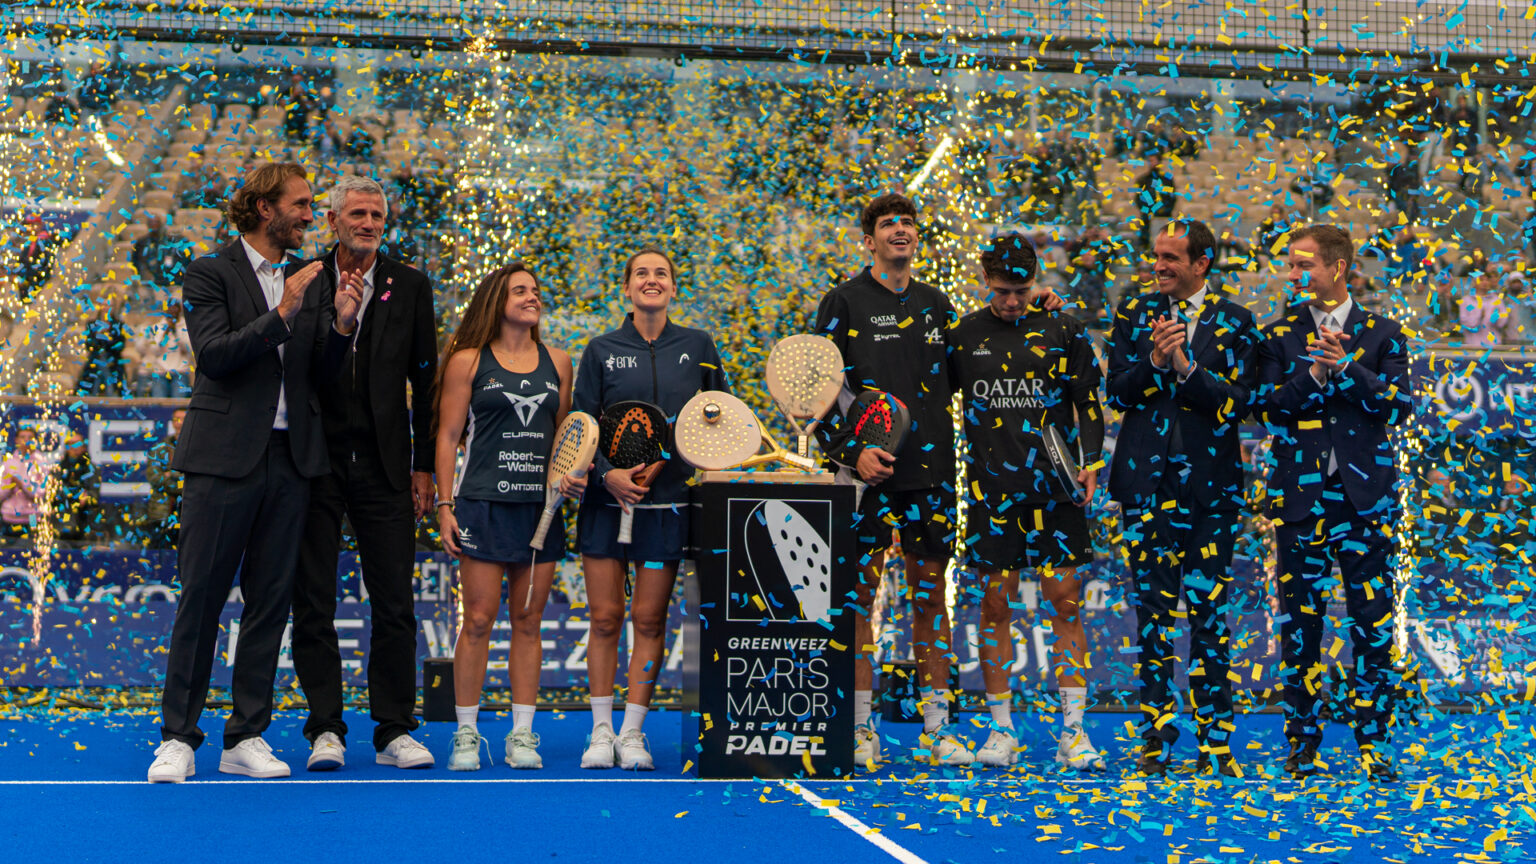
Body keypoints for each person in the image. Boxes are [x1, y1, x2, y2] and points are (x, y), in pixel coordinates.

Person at [813, 194, 1062, 768]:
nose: (899, 230)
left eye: (907, 222)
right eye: (887, 224)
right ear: (869, 241)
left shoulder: (937, 305)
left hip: (931, 476)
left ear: (917, 238)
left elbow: (983, 358)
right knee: (860, 601)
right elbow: (816, 392)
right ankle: (860, 728)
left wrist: (1039, 311)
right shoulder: (843, 301)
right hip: (863, 479)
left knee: (930, 599)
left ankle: (936, 730)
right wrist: (853, 452)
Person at [147, 162, 360, 783]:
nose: (310, 216)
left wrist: (341, 326)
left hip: (292, 459)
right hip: (222, 459)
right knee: (202, 598)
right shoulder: (209, 272)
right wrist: (283, 313)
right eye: (301, 204)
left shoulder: (311, 278)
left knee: (269, 603)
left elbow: (319, 373)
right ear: (265, 208)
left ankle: (245, 736)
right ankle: (178, 737)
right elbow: (215, 356)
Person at [290, 175, 440, 772]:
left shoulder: (411, 284)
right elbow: (299, 372)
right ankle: (325, 728)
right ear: (332, 221)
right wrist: (340, 324)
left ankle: (394, 729)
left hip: (387, 465)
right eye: (358, 213)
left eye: (377, 215)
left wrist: (423, 465)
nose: (370, 223)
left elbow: (426, 383)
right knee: (313, 601)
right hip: (314, 462)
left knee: (395, 602)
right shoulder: (303, 279)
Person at [1257, 224, 1412, 782]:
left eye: (1305, 265)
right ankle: (1301, 742)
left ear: (1337, 268)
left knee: (1373, 624)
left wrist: (1347, 369)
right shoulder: (1277, 335)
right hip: (1300, 501)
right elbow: (1268, 409)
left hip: (1365, 500)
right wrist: (1316, 372)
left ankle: (1375, 743)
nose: (1295, 275)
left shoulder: (1385, 333)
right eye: (1291, 265)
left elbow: (1399, 406)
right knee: (1300, 624)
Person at [1105, 220, 1260, 777]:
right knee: (1152, 618)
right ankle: (1156, 740)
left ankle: (1216, 744)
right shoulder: (1133, 313)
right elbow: (1115, 392)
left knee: (1210, 618)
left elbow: (1241, 402)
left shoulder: (1237, 321)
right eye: (1156, 256)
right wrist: (1152, 362)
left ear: (1202, 264)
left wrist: (1187, 370)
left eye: (1171, 258)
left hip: (1210, 493)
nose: (1159, 267)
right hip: (1146, 489)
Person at [948, 233, 1107, 771]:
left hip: (1057, 490)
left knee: (1066, 603)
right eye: (1002, 291)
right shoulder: (963, 336)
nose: (1013, 301)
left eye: (1021, 290)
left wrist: (1090, 462)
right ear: (985, 281)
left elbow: (1088, 402)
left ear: (1035, 281)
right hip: (992, 494)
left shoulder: (1064, 328)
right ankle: (1001, 730)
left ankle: (1074, 733)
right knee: (995, 607)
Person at [573, 247, 727, 770]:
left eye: (661, 273)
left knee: (649, 618)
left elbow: (718, 419)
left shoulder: (698, 347)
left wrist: (681, 462)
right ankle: (601, 731)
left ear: (673, 287)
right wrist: (606, 475)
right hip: (604, 504)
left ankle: (632, 732)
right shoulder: (601, 350)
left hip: (666, 508)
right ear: (627, 287)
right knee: (605, 618)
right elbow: (581, 425)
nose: (651, 280)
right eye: (641, 273)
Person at [434, 263, 580, 771]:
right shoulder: (468, 361)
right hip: (482, 504)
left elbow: (566, 438)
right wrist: (445, 504)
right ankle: (466, 734)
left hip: (539, 510)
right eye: (521, 291)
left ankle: (522, 735)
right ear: (498, 301)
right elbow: (447, 437)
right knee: (477, 620)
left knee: (528, 620)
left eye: (536, 291)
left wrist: (571, 476)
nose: (532, 297)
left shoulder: (559, 362)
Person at [143, 408, 186, 549]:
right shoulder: (159, 449)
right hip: (162, 512)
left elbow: (196, 479)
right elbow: (154, 477)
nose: (180, 423)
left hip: (187, 512)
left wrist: (171, 474)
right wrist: (179, 484)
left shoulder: (197, 448)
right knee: (158, 551)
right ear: (172, 422)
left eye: (183, 419)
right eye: (176, 419)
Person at [0, 426, 47, 541]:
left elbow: (40, 494)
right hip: (8, 517)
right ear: (16, 440)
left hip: (32, 518)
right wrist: (10, 486)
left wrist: (22, 485)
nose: (26, 441)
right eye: (22, 437)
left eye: (30, 438)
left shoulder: (41, 464)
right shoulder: (8, 463)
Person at [54, 428, 99, 545]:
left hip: (85, 522)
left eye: (78, 444)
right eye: (71, 444)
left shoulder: (92, 469)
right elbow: (53, 493)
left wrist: (87, 497)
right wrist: (70, 496)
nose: (74, 447)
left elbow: (95, 494)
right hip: (62, 524)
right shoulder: (58, 469)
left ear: (84, 447)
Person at [131, 213, 193, 292]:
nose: (154, 225)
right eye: (151, 222)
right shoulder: (142, 243)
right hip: (150, 284)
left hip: (173, 284)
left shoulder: (177, 243)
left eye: (156, 222)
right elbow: (136, 263)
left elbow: (186, 264)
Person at [1458, 270, 1512, 348]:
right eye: (1481, 280)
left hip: (1493, 345)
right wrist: (1479, 316)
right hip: (1473, 345)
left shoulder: (1497, 300)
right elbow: (1465, 323)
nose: (1485, 282)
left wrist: (1496, 317)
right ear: (1474, 282)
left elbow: (1502, 323)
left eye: (1487, 280)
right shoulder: (1466, 300)